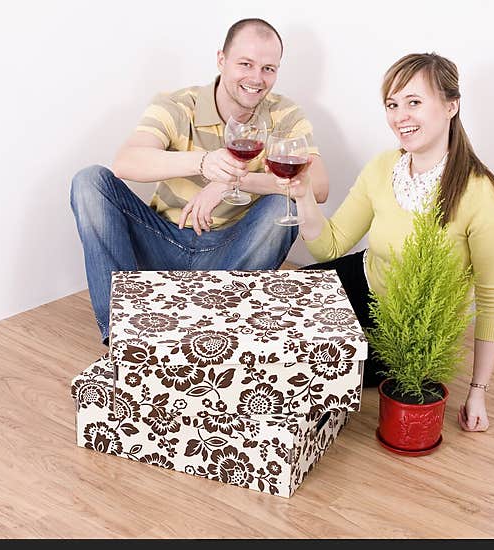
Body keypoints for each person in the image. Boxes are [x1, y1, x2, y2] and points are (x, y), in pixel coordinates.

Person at [285, 53, 494, 433]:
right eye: (392, 104)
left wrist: (477, 391)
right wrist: (304, 194)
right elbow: (331, 245)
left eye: (414, 102)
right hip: (362, 278)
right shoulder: (382, 166)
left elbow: (491, 300)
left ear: (451, 106)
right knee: (277, 306)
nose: (400, 116)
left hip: (410, 330)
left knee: (309, 369)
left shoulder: (482, 193)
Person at [70, 18, 329, 343]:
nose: (256, 79)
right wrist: (204, 163)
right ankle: (126, 339)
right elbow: (126, 162)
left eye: (268, 69)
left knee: (284, 206)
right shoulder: (179, 104)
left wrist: (230, 181)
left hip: (229, 255)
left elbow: (317, 186)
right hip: (161, 242)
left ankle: (208, 330)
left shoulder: (284, 115)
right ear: (221, 60)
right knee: (89, 182)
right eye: (245, 64)